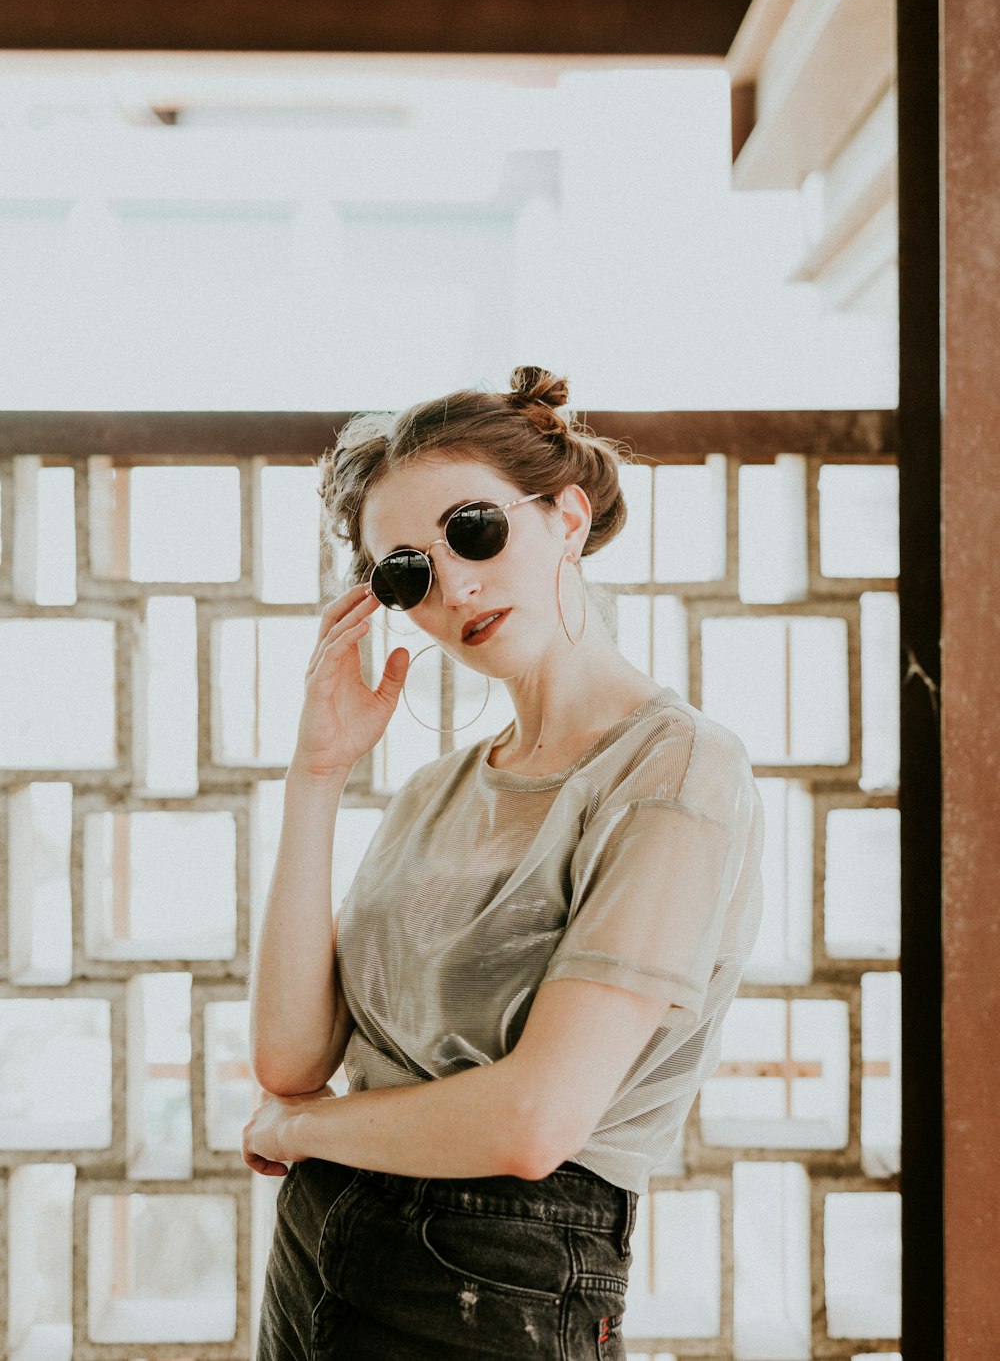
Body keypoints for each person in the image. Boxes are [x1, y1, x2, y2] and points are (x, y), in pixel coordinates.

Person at [246, 365, 765, 1359]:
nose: (453, 585)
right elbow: (292, 1058)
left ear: (565, 517)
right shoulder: (431, 791)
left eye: (473, 530)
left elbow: (534, 1121)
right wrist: (316, 775)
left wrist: (300, 1132)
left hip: (499, 1274)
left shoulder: (675, 768)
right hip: (318, 1247)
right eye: (405, 573)